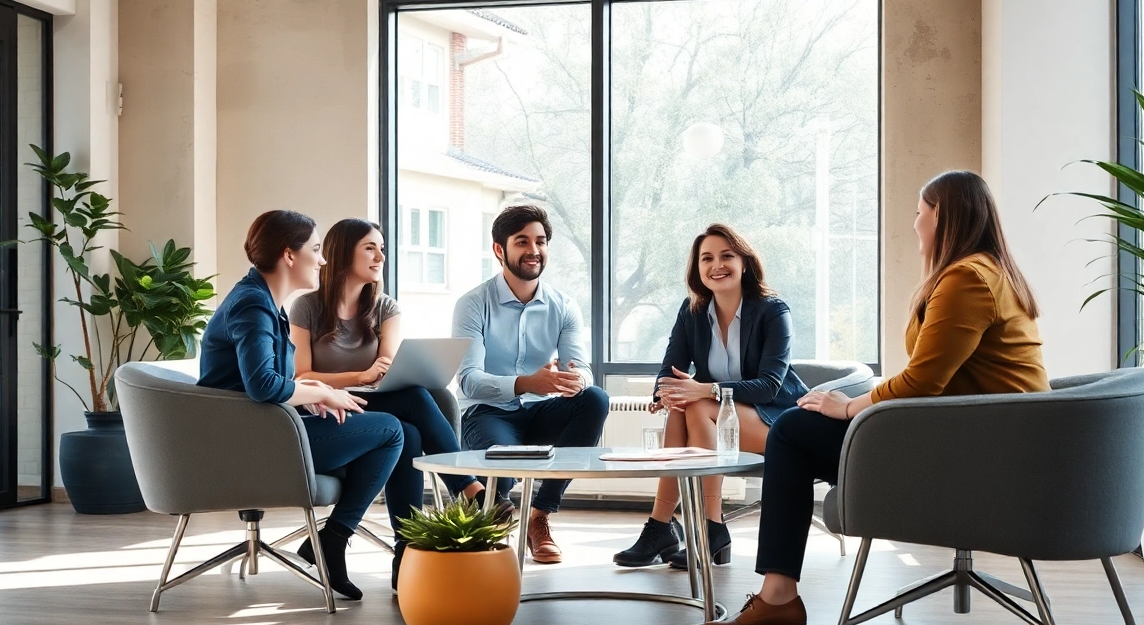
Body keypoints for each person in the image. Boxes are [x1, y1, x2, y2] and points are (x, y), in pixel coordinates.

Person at [704, 170, 1051, 625]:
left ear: (941, 218)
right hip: (988, 441)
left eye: (919, 213)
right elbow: (936, 380)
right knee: (795, 428)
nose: (914, 224)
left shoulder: (967, 279)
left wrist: (848, 407)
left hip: (977, 455)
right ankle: (777, 597)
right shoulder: (990, 271)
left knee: (790, 431)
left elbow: (923, 381)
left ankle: (778, 598)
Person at [197, 210, 404, 602]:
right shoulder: (252, 305)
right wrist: (322, 393)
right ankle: (333, 539)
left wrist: (309, 393)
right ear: (289, 255)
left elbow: (266, 381)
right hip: (249, 443)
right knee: (392, 431)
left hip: (263, 430)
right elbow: (262, 385)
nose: (323, 260)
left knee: (400, 430)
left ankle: (336, 542)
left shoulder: (264, 301)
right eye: (315, 249)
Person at [289, 218, 506, 591]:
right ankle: (467, 489)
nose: (380, 256)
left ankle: (400, 550)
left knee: (407, 423)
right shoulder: (306, 308)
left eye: (382, 248)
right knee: (410, 413)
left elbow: (384, 371)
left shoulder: (384, 307)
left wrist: (376, 374)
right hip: (327, 416)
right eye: (370, 248)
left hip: (375, 409)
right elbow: (302, 378)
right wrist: (359, 376)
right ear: (344, 254)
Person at [614, 224, 807, 570]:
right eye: (707, 258)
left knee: (698, 403)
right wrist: (665, 393)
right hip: (718, 418)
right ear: (698, 269)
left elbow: (769, 386)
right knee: (682, 407)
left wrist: (705, 389)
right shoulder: (692, 313)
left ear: (744, 263)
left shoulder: (773, 311)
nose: (717, 265)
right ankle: (663, 527)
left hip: (776, 422)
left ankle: (708, 526)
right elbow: (668, 369)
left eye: (726, 256)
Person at [453, 205, 610, 564]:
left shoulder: (564, 305)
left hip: (543, 411)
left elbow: (582, 368)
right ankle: (493, 516)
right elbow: (469, 380)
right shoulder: (473, 305)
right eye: (522, 241)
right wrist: (526, 382)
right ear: (499, 250)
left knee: (596, 398)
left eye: (540, 241)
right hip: (489, 412)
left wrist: (574, 381)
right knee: (501, 483)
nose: (534, 250)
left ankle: (539, 517)